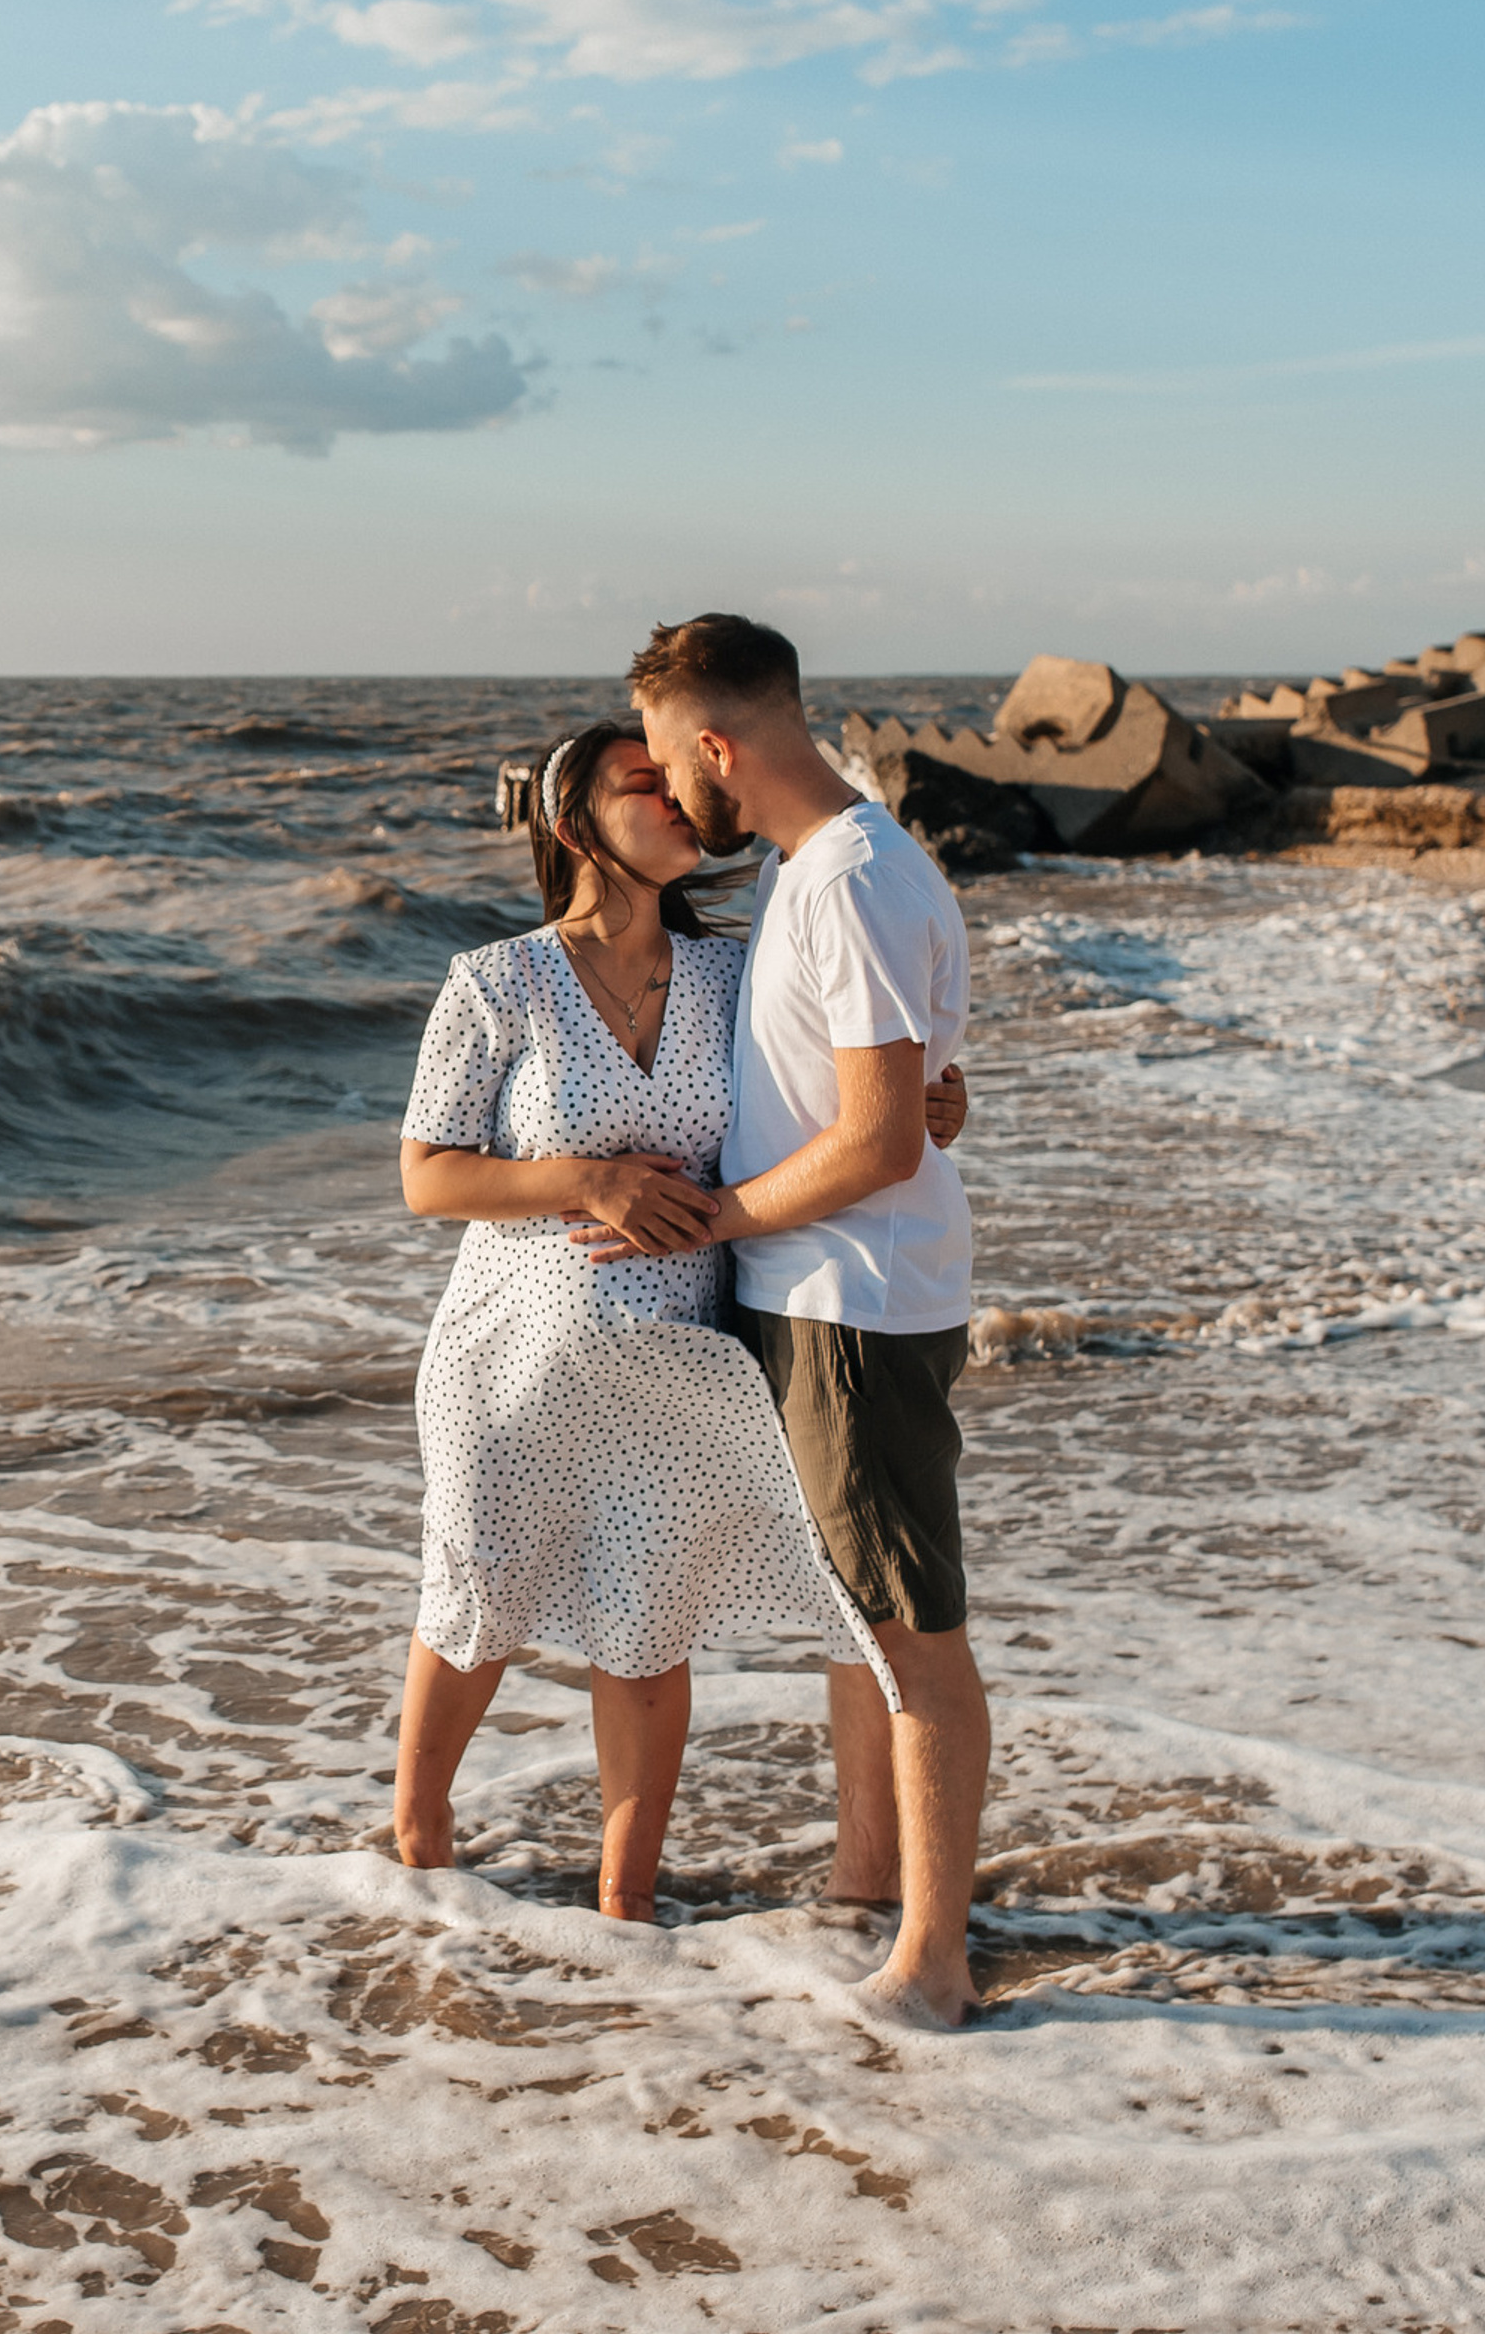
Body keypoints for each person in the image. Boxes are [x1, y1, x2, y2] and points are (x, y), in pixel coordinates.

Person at [391, 718, 966, 1924]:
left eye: (670, 775)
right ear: (572, 822)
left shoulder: (730, 971)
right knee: (473, 1605)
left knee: (645, 1636)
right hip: (510, 1366)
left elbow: (838, 1084)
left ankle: (623, 1909)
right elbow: (428, 1177)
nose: (672, 797)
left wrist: (923, 1096)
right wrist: (581, 1180)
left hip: (681, 1370)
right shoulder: (495, 981)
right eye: (639, 785)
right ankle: (417, 1847)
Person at [609, 614, 987, 2030]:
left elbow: (883, 1141)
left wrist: (716, 1218)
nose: (663, 788)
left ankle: (934, 1966)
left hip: (853, 1305)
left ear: (717, 744)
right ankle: (869, 1886)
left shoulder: (852, 881)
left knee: (908, 1635)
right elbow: (906, 1097)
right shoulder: (824, 870)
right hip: (826, 1293)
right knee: (859, 1620)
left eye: (661, 756)